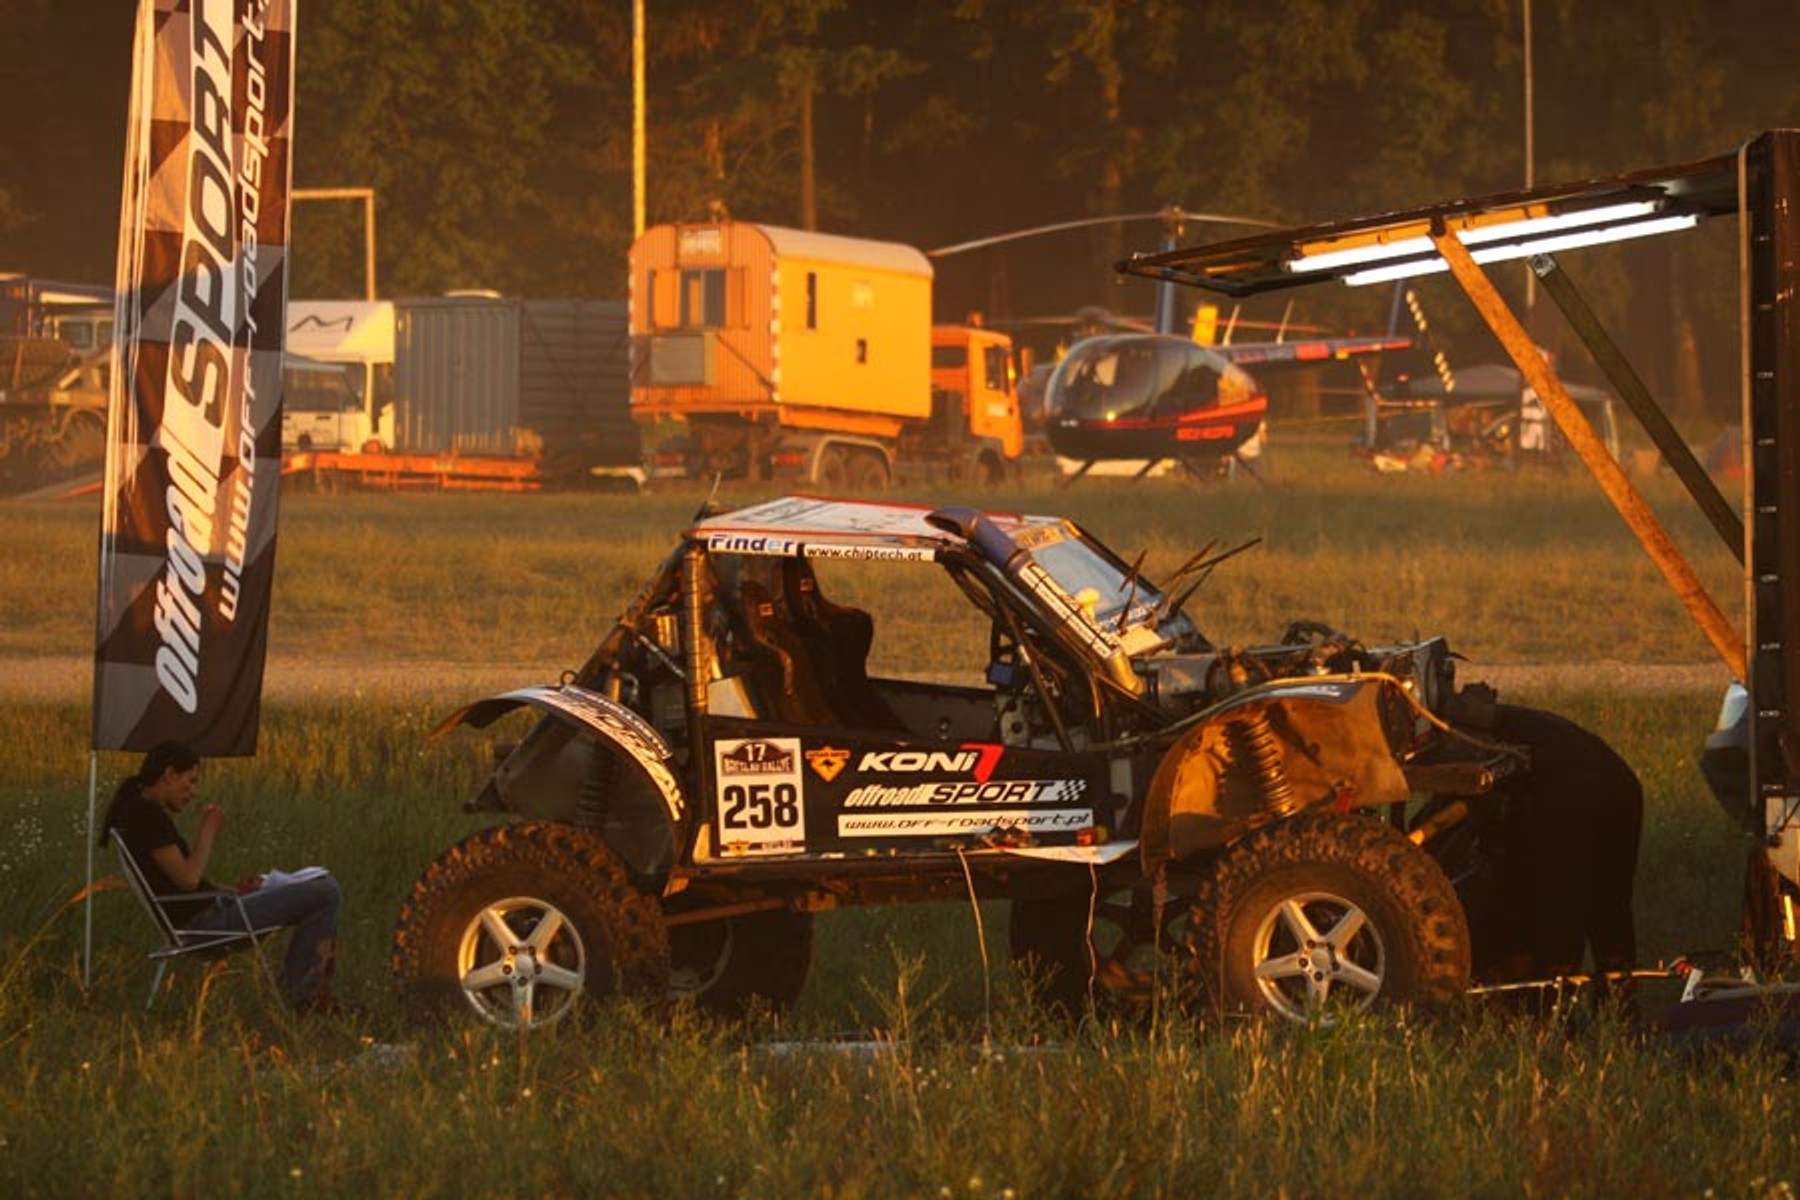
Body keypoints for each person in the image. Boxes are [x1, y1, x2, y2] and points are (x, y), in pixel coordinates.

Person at [104, 740, 344, 1013]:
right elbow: (188, 880)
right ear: (169, 775)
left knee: (321, 885)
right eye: (190, 781)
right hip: (204, 928)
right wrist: (208, 830)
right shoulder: (146, 817)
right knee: (325, 892)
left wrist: (233, 892)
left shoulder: (141, 810)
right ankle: (305, 998)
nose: (193, 792)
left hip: (211, 914)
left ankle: (308, 994)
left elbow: (181, 888)